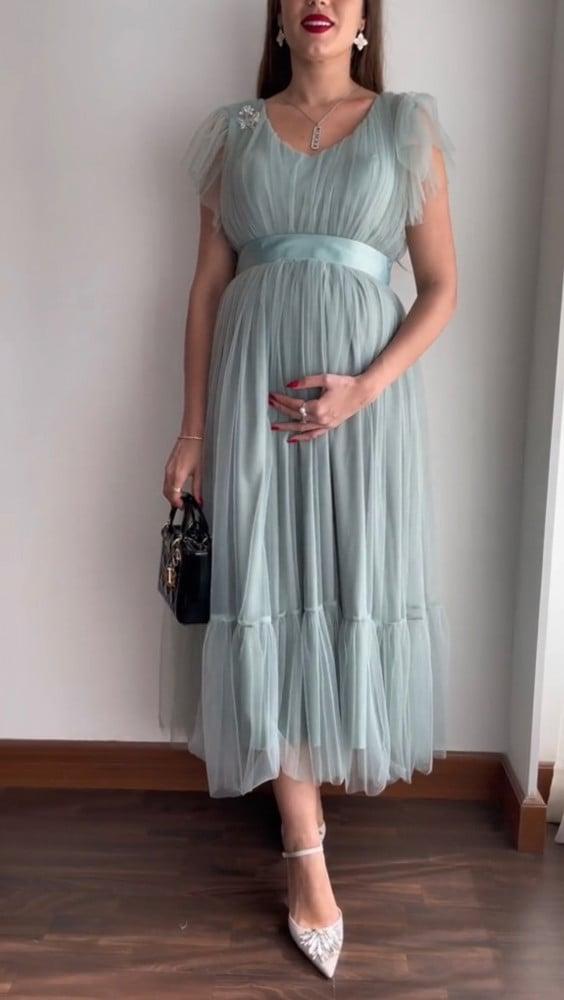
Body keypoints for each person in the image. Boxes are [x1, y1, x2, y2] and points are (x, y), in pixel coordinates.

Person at [159, 0, 457, 979]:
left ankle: (312, 783)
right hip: (253, 399)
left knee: (341, 583)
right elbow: (208, 287)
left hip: (364, 411)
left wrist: (365, 388)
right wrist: (194, 428)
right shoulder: (234, 134)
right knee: (264, 585)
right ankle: (303, 847)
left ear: (365, 17)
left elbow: (441, 285)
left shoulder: (406, 124)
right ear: (280, 17)